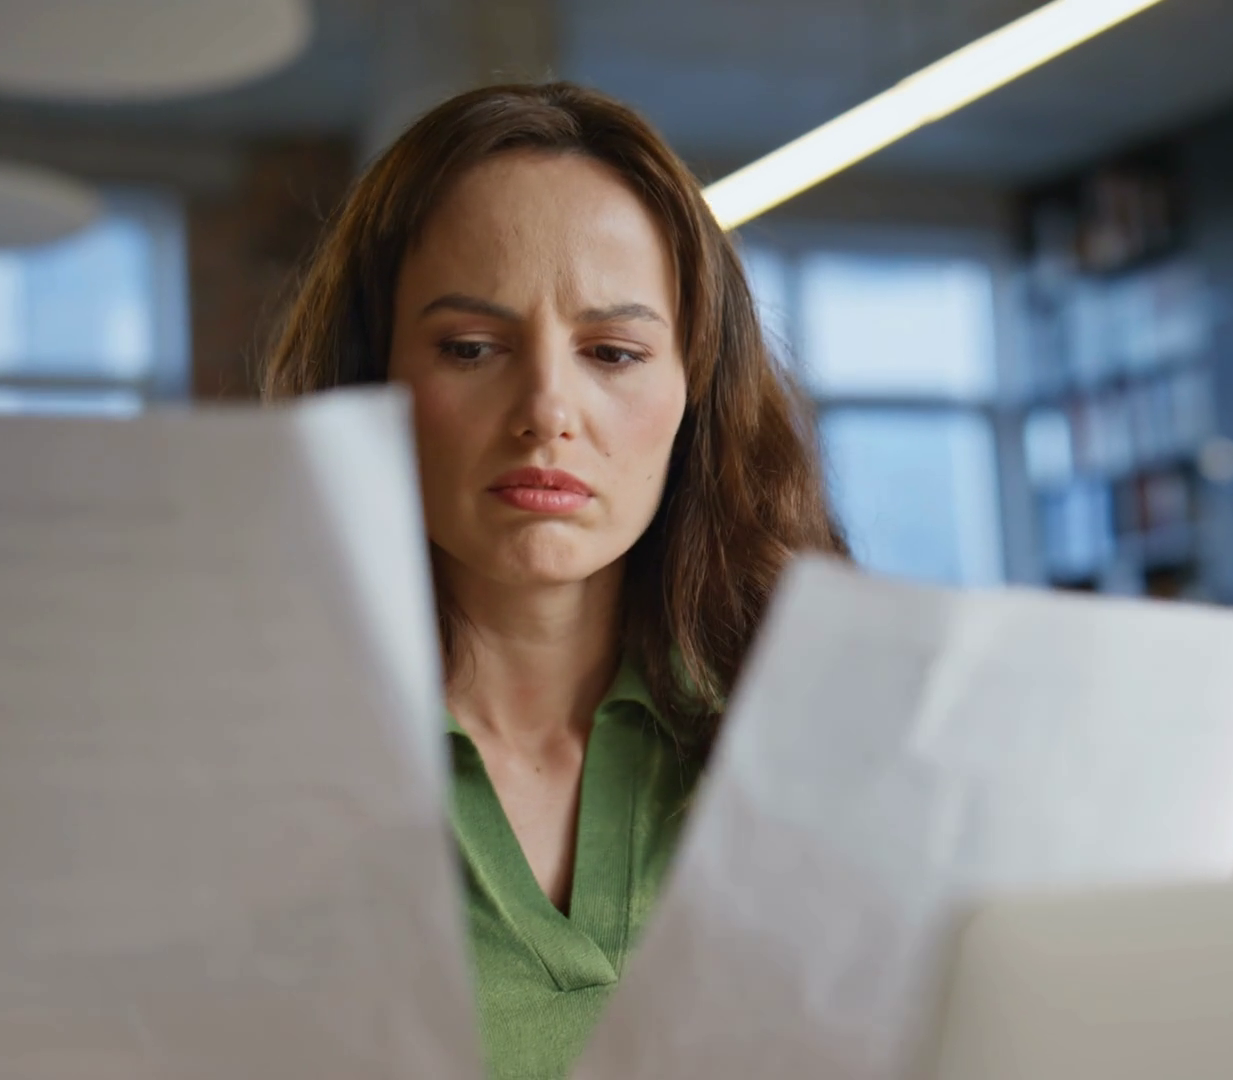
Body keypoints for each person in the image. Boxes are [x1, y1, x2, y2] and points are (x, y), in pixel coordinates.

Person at [263, 83, 846, 1079]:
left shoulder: (816, 740)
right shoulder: (251, 766)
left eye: (613, 352)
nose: (545, 410)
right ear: (376, 374)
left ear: (692, 385)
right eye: (471, 348)